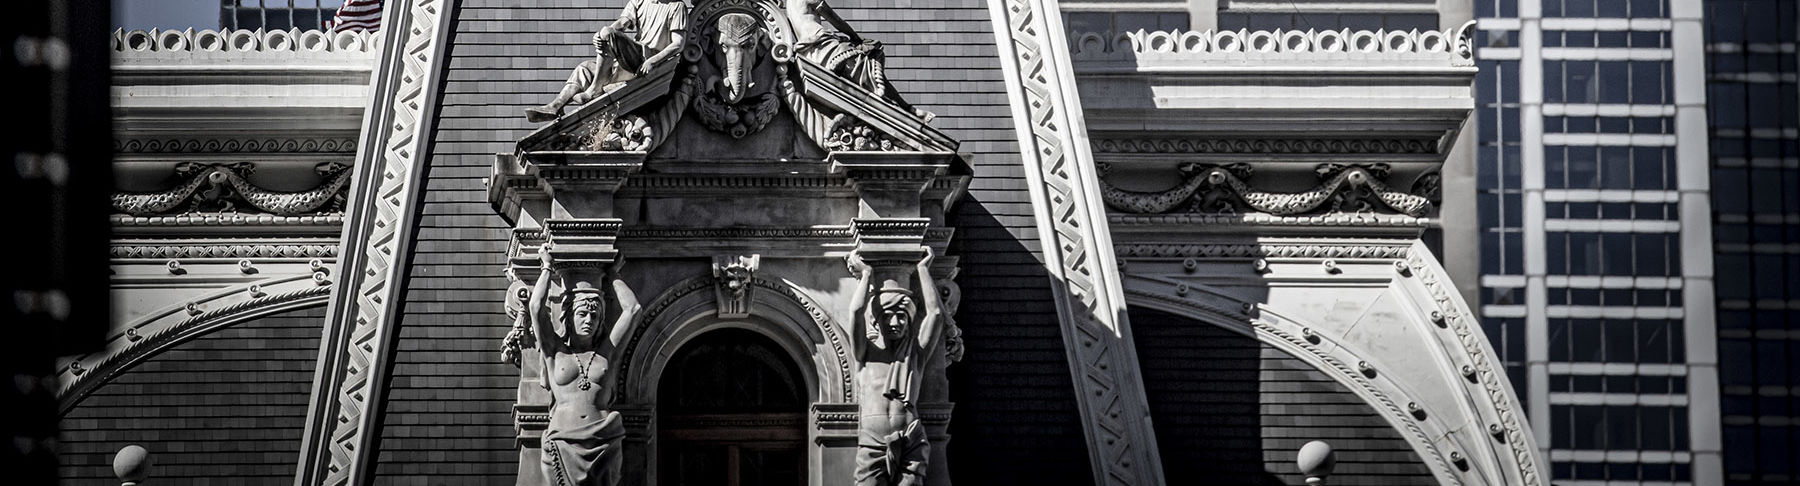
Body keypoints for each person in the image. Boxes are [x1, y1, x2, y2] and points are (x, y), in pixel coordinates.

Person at [529, 249, 641, 486]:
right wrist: (546, 268)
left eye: (595, 314)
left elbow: (632, 310)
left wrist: (613, 275)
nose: (589, 320)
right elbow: (536, 308)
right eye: (582, 314)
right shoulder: (554, 351)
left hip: (604, 441)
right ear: (569, 316)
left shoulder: (606, 352)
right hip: (562, 442)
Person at [846, 255, 944, 486]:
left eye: (901, 316)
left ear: (909, 321)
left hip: (911, 439)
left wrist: (922, 269)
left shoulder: (915, 355)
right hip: (872, 442)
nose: (894, 322)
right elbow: (855, 312)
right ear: (877, 322)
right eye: (887, 316)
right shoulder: (865, 354)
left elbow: (936, 315)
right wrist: (866, 274)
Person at [526, 0, 689, 122]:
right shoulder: (640, 0)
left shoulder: (676, 6)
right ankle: (555, 107)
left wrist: (652, 61)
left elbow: (678, 43)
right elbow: (622, 23)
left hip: (647, 58)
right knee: (584, 68)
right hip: (630, 63)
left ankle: (594, 90)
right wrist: (601, 36)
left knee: (608, 34)